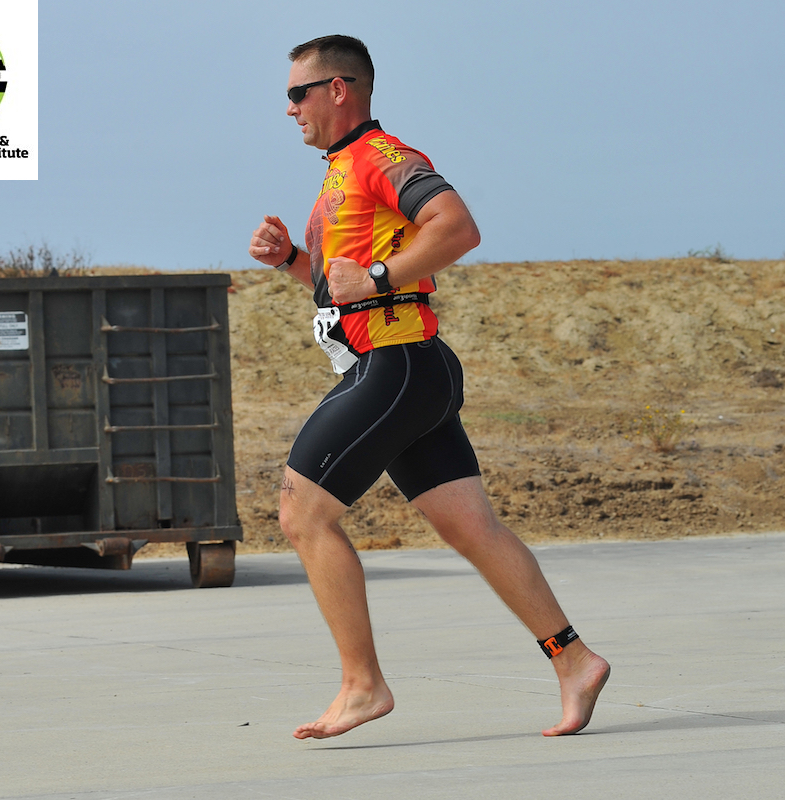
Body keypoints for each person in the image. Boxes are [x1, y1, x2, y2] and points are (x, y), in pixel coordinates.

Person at [248, 34, 610, 740]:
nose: (289, 108)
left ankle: (363, 686)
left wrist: (379, 276)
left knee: (302, 513)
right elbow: (341, 289)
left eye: (297, 93)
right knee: (472, 528)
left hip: (397, 366)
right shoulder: (339, 172)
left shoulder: (382, 158)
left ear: (338, 89)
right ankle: (575, 660)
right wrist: (291, 258)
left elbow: (458, 227)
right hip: (411, 369)